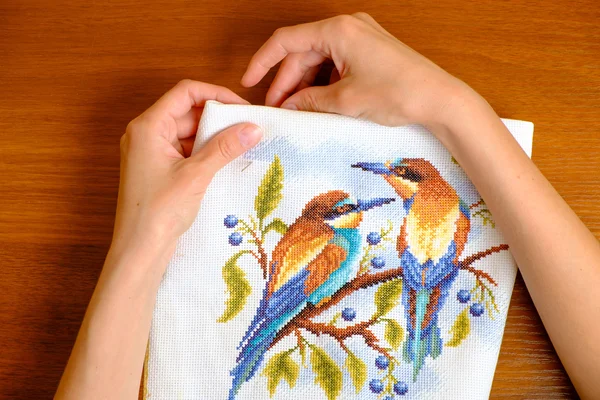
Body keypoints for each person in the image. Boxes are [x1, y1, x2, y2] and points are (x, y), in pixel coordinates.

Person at [55, 13, 600, 399]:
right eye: (347, 214)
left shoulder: (373, 231)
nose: (364, 210)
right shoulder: (334, 241)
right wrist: (455, 109)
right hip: (295, 297)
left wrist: (453, 108)